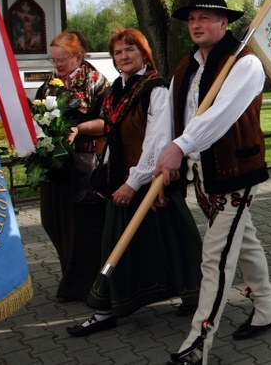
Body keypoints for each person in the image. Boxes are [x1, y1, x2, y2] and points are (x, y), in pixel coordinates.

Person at [155, 0, 271, 365]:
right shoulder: (185, 67)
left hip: (234, 174)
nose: (197, 24)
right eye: (193, 18)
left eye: (206, 18)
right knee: (244, 242)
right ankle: (267, 306)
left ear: (224, 23)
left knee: (216, 255)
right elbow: (172, 123)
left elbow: (218, 118)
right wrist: (162, 166)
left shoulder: (245, 64)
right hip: (200, 173)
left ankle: (198, 342)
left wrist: (180, 146)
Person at [66, 27, 203, 337]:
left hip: (150, 180)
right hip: (122, 179)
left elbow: (158, 140)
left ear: (144, 54)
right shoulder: (117, 89)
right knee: (141, 241)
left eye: (130, 50)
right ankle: (108, 308)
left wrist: (136, 181)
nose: (123, 56)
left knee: (177, 239)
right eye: (117, 52)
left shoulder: (155, 89)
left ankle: (196, 296)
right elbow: (113, 133)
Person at [36, 30, 109, 302]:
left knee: (83, 226)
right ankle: (71, 275)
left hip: (84, 164)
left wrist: (77, 129)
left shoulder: (95, 81)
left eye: (62, 60)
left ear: (78, 56)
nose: (57, 66)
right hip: (55, 165)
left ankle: (83, 286)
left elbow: (108, 122)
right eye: (53, 61)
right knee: (53, 220)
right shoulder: (51, 84)